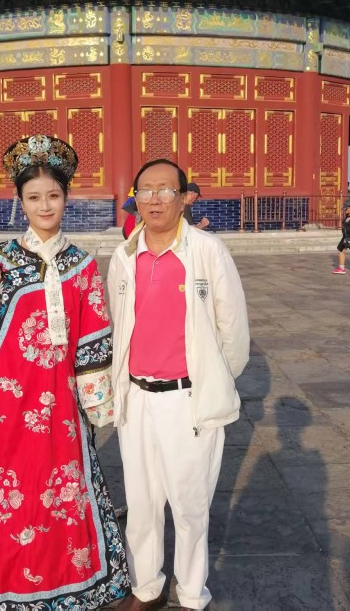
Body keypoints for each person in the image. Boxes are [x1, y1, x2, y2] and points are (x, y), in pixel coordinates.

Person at [0, 135, 130, 610]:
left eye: (53, 195)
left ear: (66, 198)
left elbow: (93, 341)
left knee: (60, 492)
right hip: (2, 409)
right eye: (34, 197)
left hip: (61, 407)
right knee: (5, 498)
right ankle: (0, 589)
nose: (45, 205)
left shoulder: (82, 267)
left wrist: (98, 406)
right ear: (20, 201)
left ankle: (71, 583)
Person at [107, 158, 250, 611]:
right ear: (135, 199)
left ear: (184, 197)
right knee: (142, 503)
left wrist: (210, 381)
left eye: (165, 190)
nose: (155, 199)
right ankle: (146, 587)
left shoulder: (207, 251)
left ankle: (191, 594)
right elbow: (118, 325)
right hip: (137, 398)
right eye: (145, 191)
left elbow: (234, 332)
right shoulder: (123, 256)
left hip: (187, 398)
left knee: (190, 507)